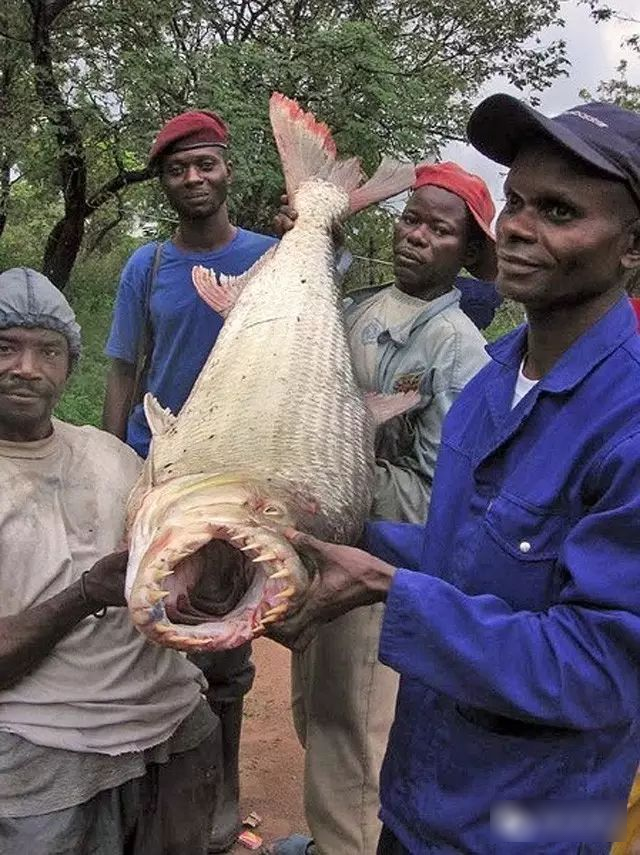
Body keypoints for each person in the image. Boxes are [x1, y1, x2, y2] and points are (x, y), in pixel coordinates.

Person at [269, 96, 640, 854]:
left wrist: (385, 590)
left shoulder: (629, 421)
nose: (517, 227)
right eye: (516, 201)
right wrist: (323, 535)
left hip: (533, 826)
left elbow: (600, 668)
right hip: (421, 795)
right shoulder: (491, 383)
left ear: (631, 247)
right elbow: (465, 556)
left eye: (560, 211)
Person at [272, 163, 496, 855]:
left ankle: (351, 843)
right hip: (324, 546)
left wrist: (338, 472)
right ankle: (329, 835)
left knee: (357, 735)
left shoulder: (458, 349)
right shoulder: (363, 308)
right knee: (317, 710)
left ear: (466, 253)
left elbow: (440, 497)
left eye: (440, 229)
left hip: (374, 569)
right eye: (411, 219)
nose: (418, 237)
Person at [0, 267, 221, 854]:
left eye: (47, 350)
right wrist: (86, 594)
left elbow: (185, 593)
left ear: (69, 366)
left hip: (174, 730)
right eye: (6, 347)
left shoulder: (111, 454)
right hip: (43, 751)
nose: (27, 367)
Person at [102, 109, 277, 852]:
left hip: (234, 481)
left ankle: (222, 800)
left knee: (223, 646)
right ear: (165, 183)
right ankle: (148, 797)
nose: (194, 178)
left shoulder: (274, 259)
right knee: (145, 634)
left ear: (226, 169)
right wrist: (111, 465)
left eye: (205, 164)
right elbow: (122, 370)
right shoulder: (146, 268)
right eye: (179, 169)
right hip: (161, 475)